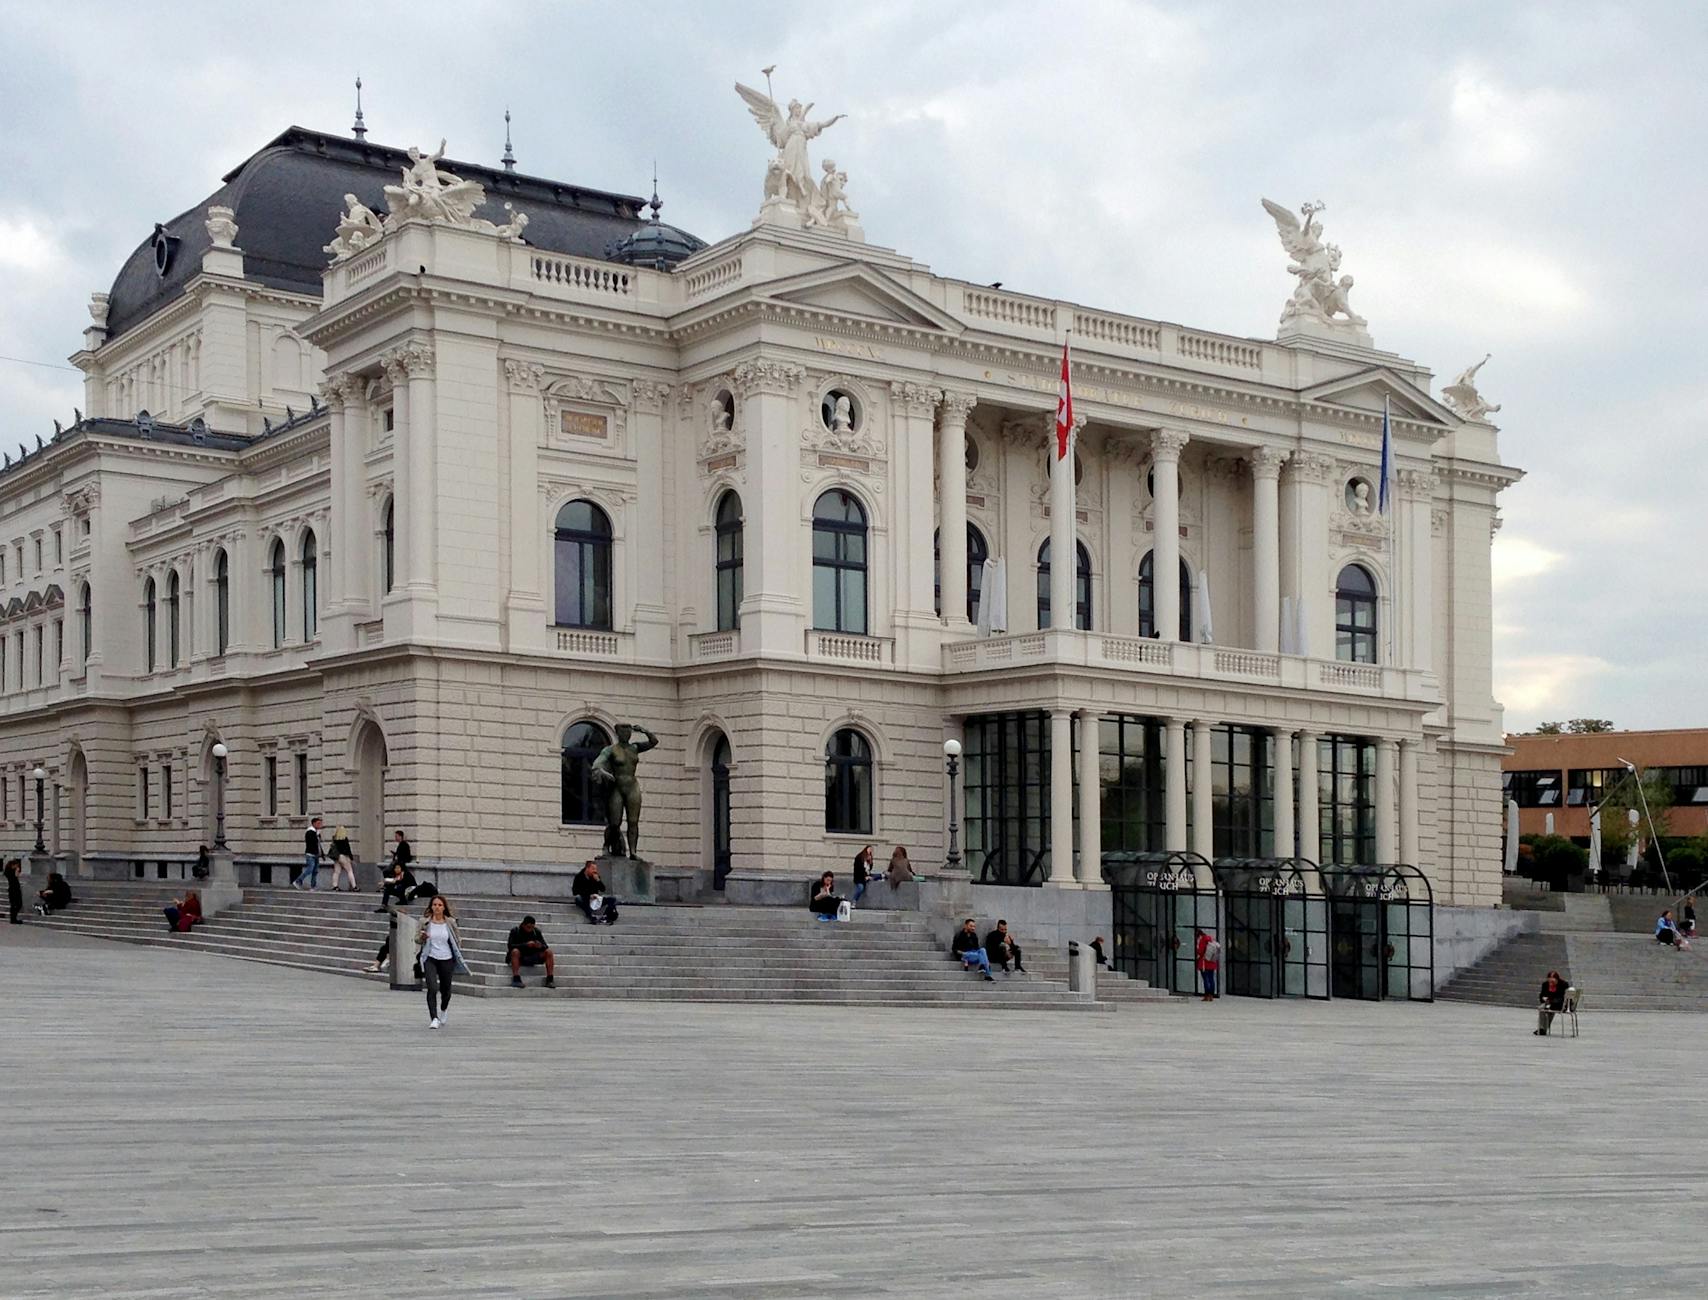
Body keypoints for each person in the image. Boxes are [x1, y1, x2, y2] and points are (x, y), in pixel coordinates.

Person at [414, 894, 468, 1029]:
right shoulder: (424, 922)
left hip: (447, 958)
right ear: (431, 907)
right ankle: (434, 1017)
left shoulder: (450, 922)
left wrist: (458, 946)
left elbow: (457, 939)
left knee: (446, 990)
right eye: (434, 905)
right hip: (430, 957)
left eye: (439, 905)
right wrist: (422, 937)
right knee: (432, 987)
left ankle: (443, 1009)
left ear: (444, 907)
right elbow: (416, 939)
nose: (437, 907)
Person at [506, 915, 557, 989]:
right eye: (528, 927)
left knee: (548, 952)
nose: (530, 929)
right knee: (515, 951)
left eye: (532, 927)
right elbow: (510, 946)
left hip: (533, 955)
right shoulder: (515, 931)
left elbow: (545, 946)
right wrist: (525, 945)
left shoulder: (536, 932)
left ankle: (550, 979)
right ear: (523, 925)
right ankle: (516, 978)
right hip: (521, 956)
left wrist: (540, 946)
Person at [572, 860, 619, 924]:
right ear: (587, 868)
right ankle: (590, 916)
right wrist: (589, 895)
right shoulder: (579, 877)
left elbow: (603, 889)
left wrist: (598, 880)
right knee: (578, 898)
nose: (595, 871)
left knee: (612, 899)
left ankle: (605, 916)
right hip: (585, 898)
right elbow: (575, 891)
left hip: (595, 899)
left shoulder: (595, 877)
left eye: (596, 869)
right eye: (593, 869)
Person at [1535, 970, 1568, 1036]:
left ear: (1557, 980)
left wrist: (1551, 1001)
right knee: (1541, 1008)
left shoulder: (1563, 984)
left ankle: (1543, 1029)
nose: (1551, 983)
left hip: (1559, 1004)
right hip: (1548, 1003)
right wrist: (1544, 999)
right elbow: (1541, 995)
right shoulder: (1545, 984)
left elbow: (1562, 998)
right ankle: (1542, 1028)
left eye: (1553, 981)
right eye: (1549, 981)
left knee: (1549, 1008)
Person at [297, 817, 325, 890]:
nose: (320, 825)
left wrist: (322, 854)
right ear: (314, 824)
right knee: (310, 869)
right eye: (318, 823)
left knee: (315, 871)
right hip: (310, 854)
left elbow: (319, 844)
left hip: (316, 854)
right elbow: (312, 843)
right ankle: (298, 881)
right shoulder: (310, 832)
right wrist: (317, 835)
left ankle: (313, 886)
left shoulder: (316, 832)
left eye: (320, 823)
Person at [328, 826, 357, 892]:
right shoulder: (344, 839)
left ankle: (335, 886)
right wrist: (351, 858)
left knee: (336, 871)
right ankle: (354, 886)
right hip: (344, 856)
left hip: (337, 856)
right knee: (349, 871)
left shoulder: (335, 838)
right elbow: (348, 850)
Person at [1195, 928, 1220, 1001]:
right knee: (1211, 979)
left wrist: (1197, 950)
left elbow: (1200, 951)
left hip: (1204, 963)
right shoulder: (1210, 939)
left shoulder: (1202, 940)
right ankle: (1211, 995)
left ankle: (1207, 995)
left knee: (1205, 979)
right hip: (1212, 962)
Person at [5, 859, 21, 925]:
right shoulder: (10, 872)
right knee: (16, 904)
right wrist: (17, 871)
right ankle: (13, 919)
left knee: (16, 904)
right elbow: (16, 876)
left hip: (14, 889)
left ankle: (13, 918)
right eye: (16, 865)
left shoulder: (9, 871)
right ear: (13, 865)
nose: (17, 867)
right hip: (13, 890)